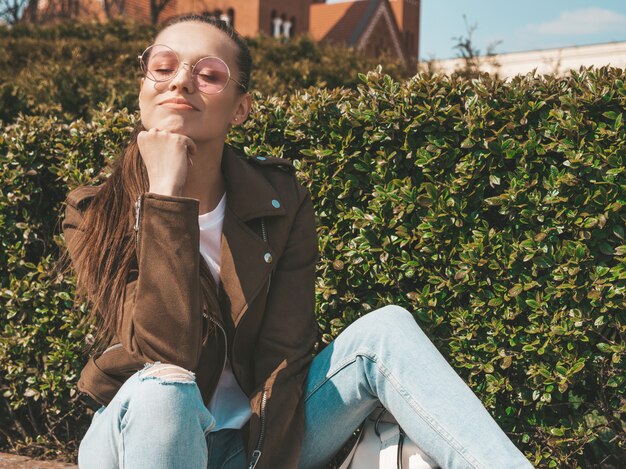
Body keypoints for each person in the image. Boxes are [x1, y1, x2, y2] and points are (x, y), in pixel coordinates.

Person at [61, 13, 534, 469]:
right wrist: (165, 195)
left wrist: (265, 457)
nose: (181, 82)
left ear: (241, 109)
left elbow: (285, 356)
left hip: (254, 444)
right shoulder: (94, 213)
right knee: (165, 390)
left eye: (208, 74)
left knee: (386, 331)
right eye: (162, 68)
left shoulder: (279, 200)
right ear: (143, 88)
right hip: (141, 438)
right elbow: (167, 355)